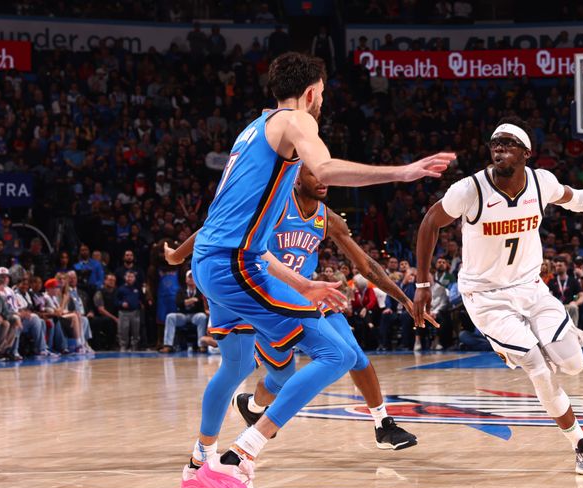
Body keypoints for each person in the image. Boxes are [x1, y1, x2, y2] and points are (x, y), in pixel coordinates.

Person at [182, 52, 454, 488]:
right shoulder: (295, 120)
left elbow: (259, 244)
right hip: (233, 266)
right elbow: (325, 169)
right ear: (311, 92)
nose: (321, 104)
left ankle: (196, 464)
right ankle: (237, 459)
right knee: (339, 354)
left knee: (234, 365)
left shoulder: (253, 130)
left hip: (221, 263)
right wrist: (403, 172)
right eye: (322, 95)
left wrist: (302, 286)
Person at [413, 116, 583, 476]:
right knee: (538, 367)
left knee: (574, 365)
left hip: (531, 289)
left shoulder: (541, 182)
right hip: (486, 297)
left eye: (507, 143)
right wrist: (422, 286)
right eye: (494, 143)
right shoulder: (470, 190)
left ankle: (525, 345)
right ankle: (581, 442)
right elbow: (429, 224)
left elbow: (577, 200)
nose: (497, 148)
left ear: (526, 153)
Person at [167, 165, 432, 462]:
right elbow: (218, 228)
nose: (322, 180)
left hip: (310, 297)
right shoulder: (276, 204)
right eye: (314, 174)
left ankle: (383, 425)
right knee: (282, 377)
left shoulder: (327, 218)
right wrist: (178, 255)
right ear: (296, 177)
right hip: (268, 300)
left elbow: (365, 264)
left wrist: (404, 299)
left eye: (326, 174)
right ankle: (253, 406)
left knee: (352, 353)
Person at [159, 270, 208, 353]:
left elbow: (202, 305)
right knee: (170, 317)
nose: (191, 279)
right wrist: (190, 300)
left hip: (195, 315)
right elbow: (178, 303)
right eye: (189, 277)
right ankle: (168, 345)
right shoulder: (180, 291)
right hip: (183, 315)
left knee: (202, 317)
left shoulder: (201, 291)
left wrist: (187, 302)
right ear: (186, 280)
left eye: (193, 277)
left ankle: (201, 345)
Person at [549, 256, 583, 327]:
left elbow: (582, 297)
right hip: (556, 307)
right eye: (556, 266)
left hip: (569, 307)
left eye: (560, 265)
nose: (557, 267)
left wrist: (575, 303)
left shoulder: (573, 281)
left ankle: (574, 332)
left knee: (574, 308)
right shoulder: (552, 282)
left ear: (566, 266)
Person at [116, 271, 142, 351]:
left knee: (136, 331)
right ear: (125, 278)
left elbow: (141, 298)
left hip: (135, 312)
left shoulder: (137, 289)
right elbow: (116, 300)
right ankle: (123, 346)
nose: (130, 278)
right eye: (128, 276)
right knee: (123, 330)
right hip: (124, 313)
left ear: (134, 278)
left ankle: (134, 346)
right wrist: (121, 303)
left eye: (132, 277)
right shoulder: (121, 289)